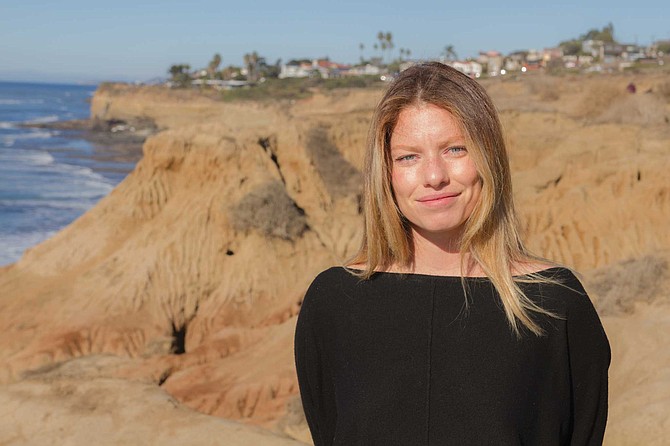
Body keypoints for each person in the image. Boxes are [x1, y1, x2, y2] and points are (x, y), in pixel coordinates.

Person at [294, 62, 610, 446]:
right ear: (386, 173)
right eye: (408, 157)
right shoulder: (333, 303)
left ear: (488, 157)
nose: (434, 176)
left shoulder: (554, 303)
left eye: (455, 149)